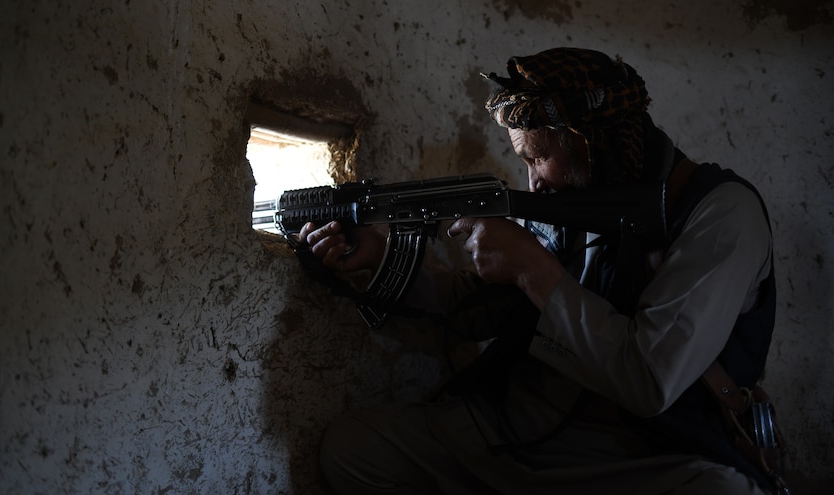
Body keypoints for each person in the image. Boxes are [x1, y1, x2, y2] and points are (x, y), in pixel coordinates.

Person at [297, 48, 781, 494]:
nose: (532, 181)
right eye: (523, 159)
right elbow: (480, 312)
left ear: (591, 143)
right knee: (351, 450)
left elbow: (648, 380)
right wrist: (379, 260)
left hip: (637, 458)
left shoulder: (720, 215)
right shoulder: (571, 197)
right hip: (516, 431)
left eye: (539, 157)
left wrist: (533, 268)